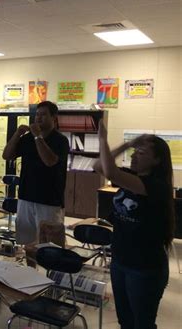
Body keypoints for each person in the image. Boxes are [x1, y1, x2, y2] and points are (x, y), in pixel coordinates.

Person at [93, 121, 174, 329]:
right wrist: (127, 145)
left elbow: (110, 172)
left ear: (157, 160)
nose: (135, 156)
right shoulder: (132, 176)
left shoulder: (157, 186)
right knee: (126, 321)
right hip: (120, 261)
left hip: (144, 268)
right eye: (135, 152)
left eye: (142, 153)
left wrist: (103, 139)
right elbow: (99, 166)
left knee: (142, 324)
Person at [2, 101, 69, 245]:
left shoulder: (60, 140)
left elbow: (49, 161)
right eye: (37, 114)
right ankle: (30, 268)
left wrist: (38, 136)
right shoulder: (28, 138)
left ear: (54, 118)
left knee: (50, 244)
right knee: (27, 242)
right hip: (26, 196)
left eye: (43, 115)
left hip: (49, 200)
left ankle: (51, 268)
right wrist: (17, 134)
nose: (38, 118)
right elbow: (7, 155)